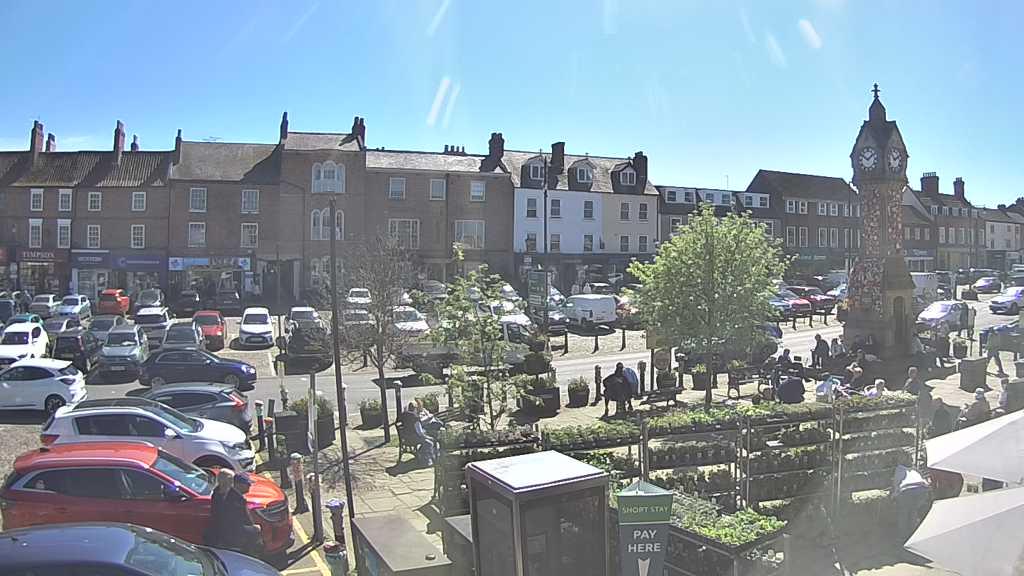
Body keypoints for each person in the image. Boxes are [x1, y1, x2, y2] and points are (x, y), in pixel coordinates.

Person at [892, 465, 931, 543]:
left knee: (904, 513)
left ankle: (903, 537)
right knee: (913, 510)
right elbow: (924, 479)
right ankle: (913, 534)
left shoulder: (899, 469)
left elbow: (896, 483)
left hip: (907, 490)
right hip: (922, 489)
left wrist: (894, 494)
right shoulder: (915, 469)